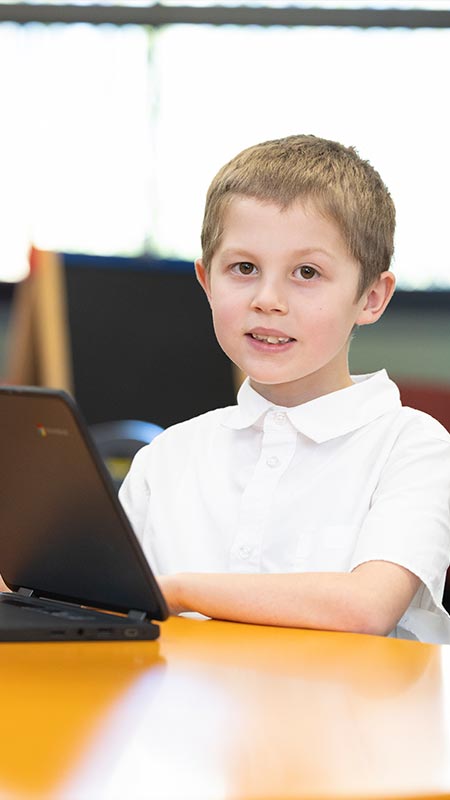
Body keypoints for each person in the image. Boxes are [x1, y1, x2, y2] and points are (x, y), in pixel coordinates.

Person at [120, 134, 450, 643]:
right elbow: (99, 600)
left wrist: (180, 591)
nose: (268, 299)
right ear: (207, 282)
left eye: (307, 272)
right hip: (184, 719)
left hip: (353, 722)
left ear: (371, 297)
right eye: (244, 268)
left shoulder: (412, 447)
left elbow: (366, 607)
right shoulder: (166, 458)